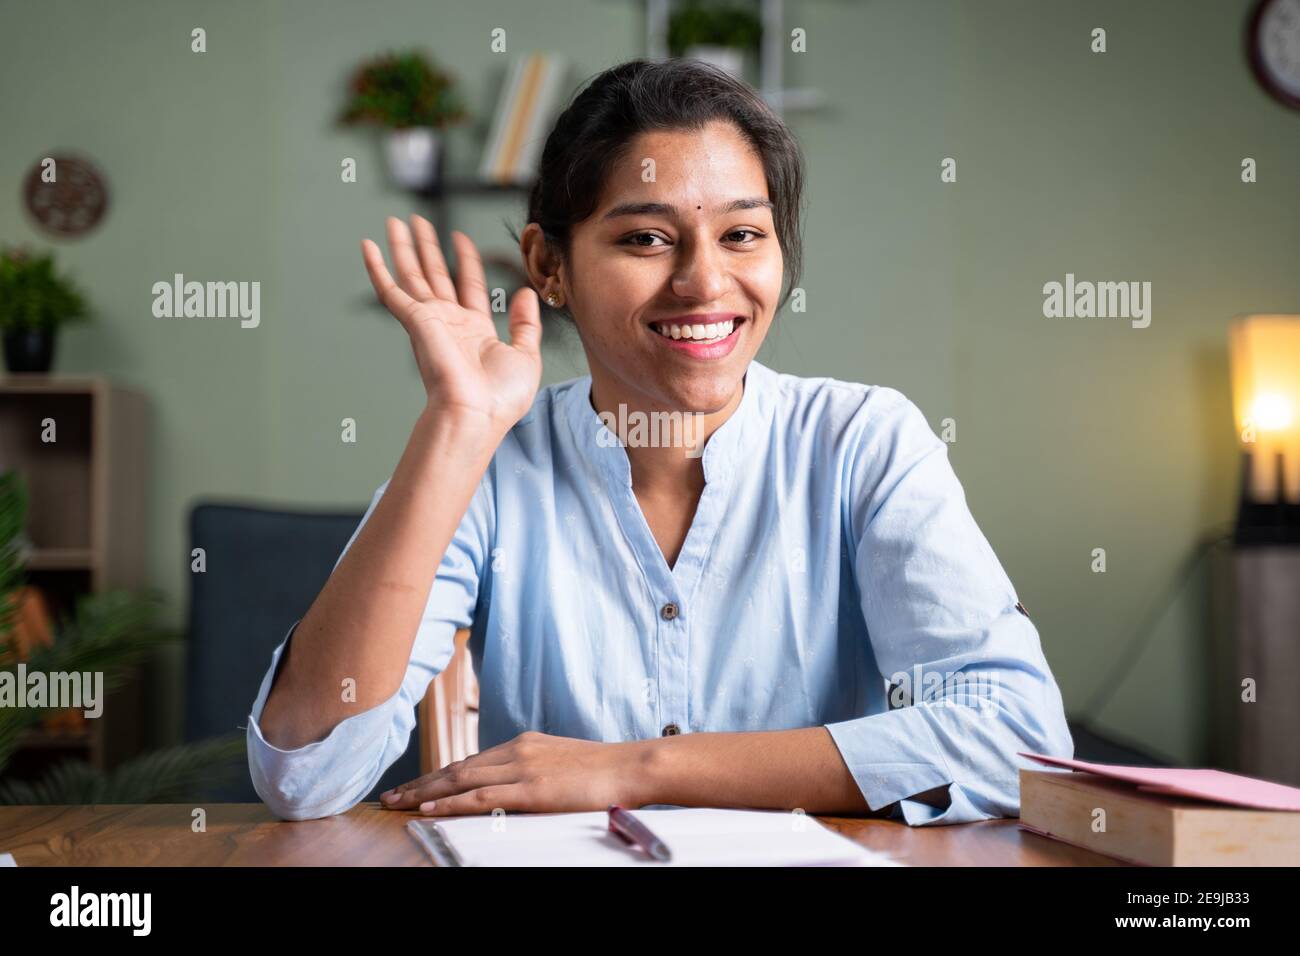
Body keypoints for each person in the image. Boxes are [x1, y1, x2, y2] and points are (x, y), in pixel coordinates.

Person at [248, 58, 1072, 825]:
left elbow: (1019, 744)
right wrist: (455, 427)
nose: (705, 283)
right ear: (549, 264)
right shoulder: (492, 463)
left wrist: (639, 770)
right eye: (645, 238)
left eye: (743, 235)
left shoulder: (865, 443)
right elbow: (302, 776)